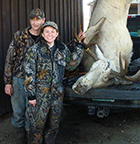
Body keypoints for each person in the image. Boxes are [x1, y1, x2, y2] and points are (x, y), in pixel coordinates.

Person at [24, 21, 85, 144]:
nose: (50, 34)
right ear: (42, 34)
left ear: (57, 34)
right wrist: (31, 95)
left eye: (52, 32)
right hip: (40, 94)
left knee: (54, 125)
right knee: (37, 126)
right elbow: (29, 73)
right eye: (47, 31)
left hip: (57, 93)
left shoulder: (63, 49)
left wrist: (79, 46)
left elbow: (71, 65)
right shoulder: (34, 50)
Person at [4, 8, 45, 143]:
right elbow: (10, 59)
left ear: (43, 20)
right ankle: (20, 140)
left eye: (38, 19)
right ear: (30, 21)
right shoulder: (19, 36)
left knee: (31, 115)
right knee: (18, 114)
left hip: (37, 82)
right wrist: (8, 82)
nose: (35, 22)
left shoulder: (45, 37)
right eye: (33, 19)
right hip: (18, 80)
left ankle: (30, 140)